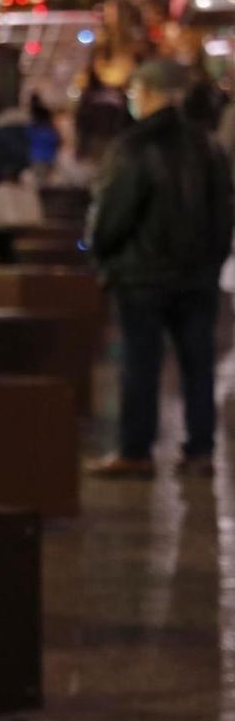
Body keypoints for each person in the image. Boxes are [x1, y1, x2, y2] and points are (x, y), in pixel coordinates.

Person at [85, 58, 235, 479]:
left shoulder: (134, 146)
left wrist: (103, 255)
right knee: (198, 363)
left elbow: (114, 215)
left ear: (149, 92)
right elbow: (224, 213)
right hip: (197, 278)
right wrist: (212, 261)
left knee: (140, 364)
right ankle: (200, 449)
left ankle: (136, 450)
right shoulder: (207, 145)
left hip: (141, 277)